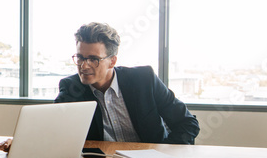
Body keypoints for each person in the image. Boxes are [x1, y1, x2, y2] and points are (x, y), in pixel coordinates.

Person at [54, 22, 200, 144]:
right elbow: (57, 134)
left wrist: (164, 155)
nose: (84, 66)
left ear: (112, 61)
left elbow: (187, 124)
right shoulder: (71, 87)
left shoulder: (144, 79)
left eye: (93, 59)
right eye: (80, 57)